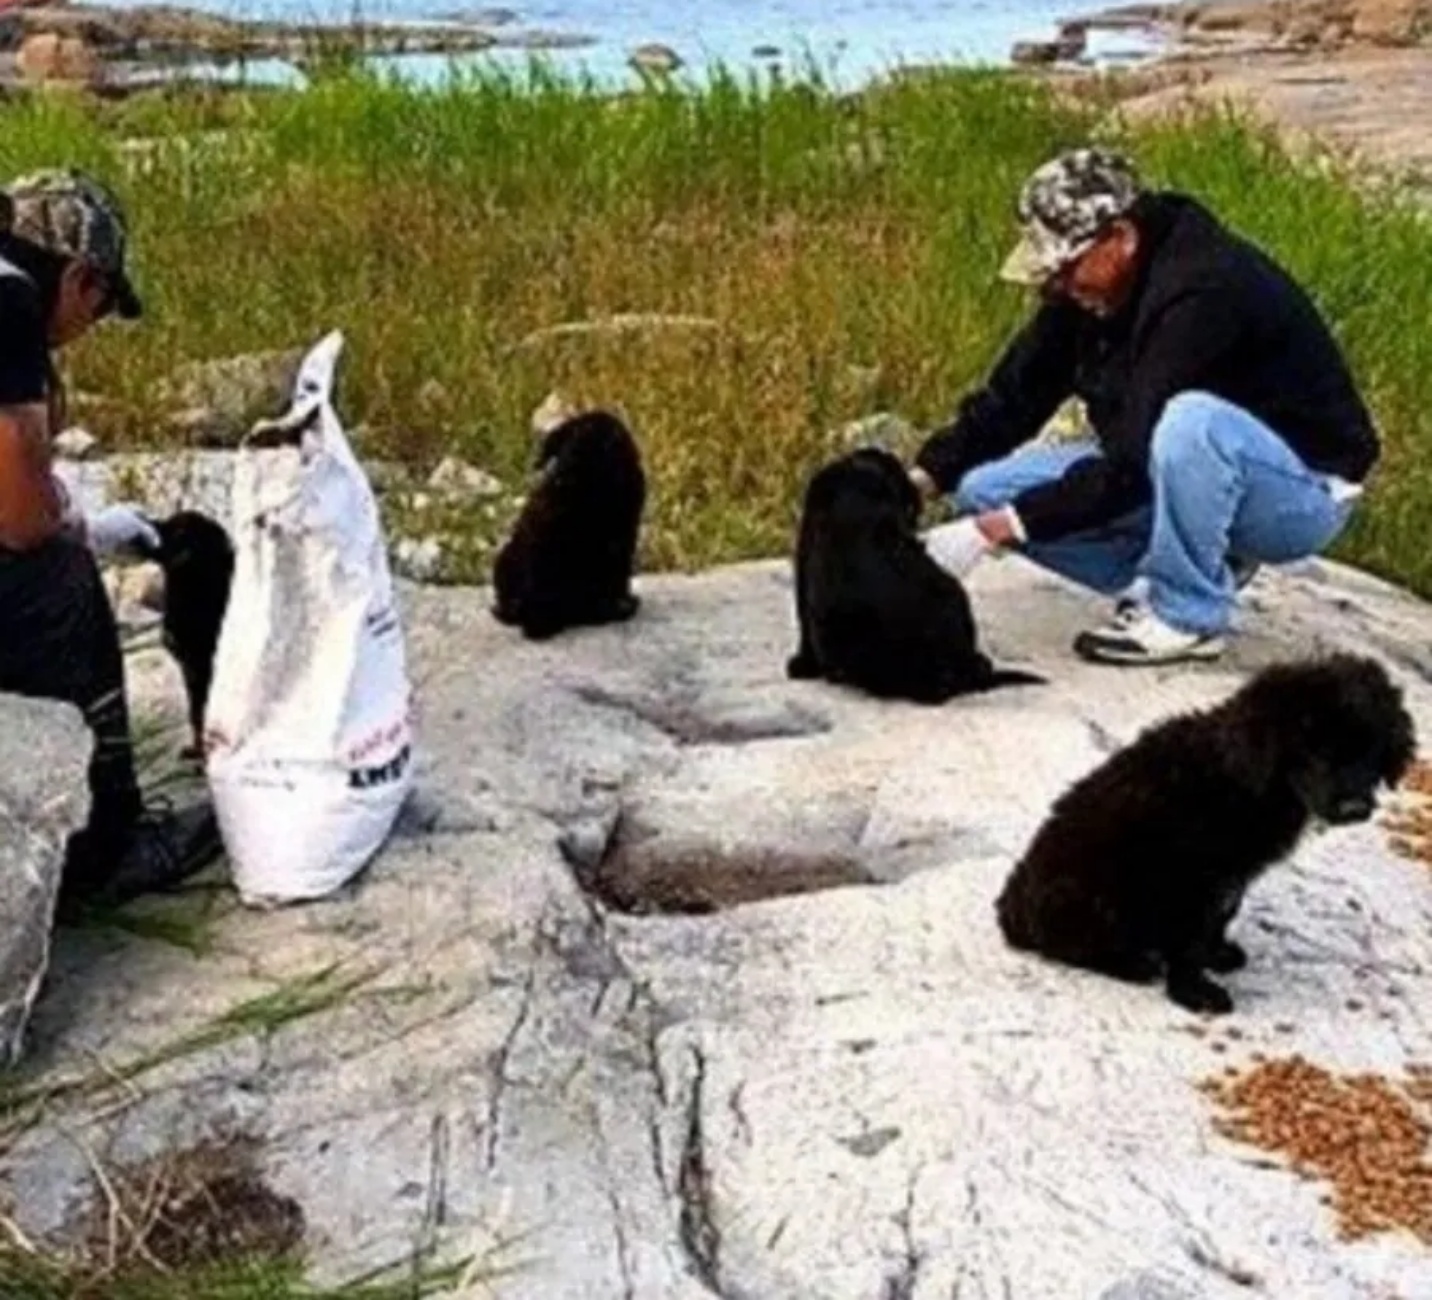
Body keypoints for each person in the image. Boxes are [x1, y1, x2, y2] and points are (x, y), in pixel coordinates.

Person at [910, 146, 1379, 666]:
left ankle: (1188, 616)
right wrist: (920, 481)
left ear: (1119, 238)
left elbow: (1134, 462)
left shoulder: (1203, 291)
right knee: (985, 490)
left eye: (1064, 269)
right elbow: (1015, 397)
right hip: (1171, 467)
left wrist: (991, 532)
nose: (1056, 286)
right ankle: (1185, 569)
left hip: (1301, 490)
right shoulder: (1086, 294)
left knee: (1190, 422)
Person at [0, 167, 222, 915]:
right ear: (83, 280)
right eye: (97, 310)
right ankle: (109, 845)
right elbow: (24, 519)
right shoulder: (9, 300)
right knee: (60, 581)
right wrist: (81, 530)